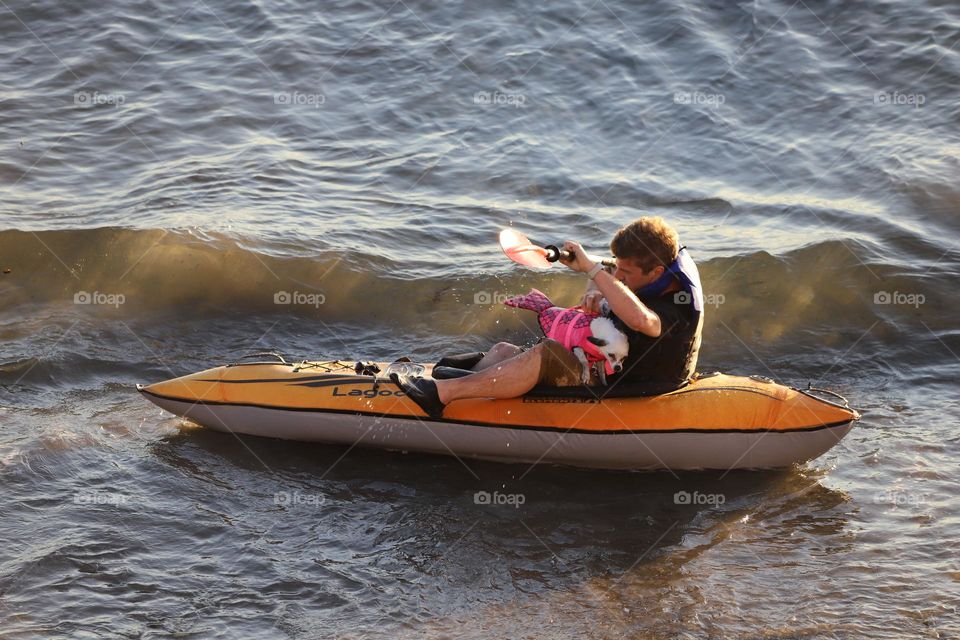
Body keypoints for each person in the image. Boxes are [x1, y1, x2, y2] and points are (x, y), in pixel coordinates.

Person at [391, 216, 703, 418]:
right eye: (617, 267)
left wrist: (595, 274)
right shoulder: (654, 274)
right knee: (501, 350)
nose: (617, 274)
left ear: (658, 272)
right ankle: (460, 380)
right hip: (601, 362)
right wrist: (598, 290)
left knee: (545, 353)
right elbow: (615, 283)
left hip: (634, 383)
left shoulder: (676, 304)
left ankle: (441, 396)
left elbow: (642, 321)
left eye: (626, 272)